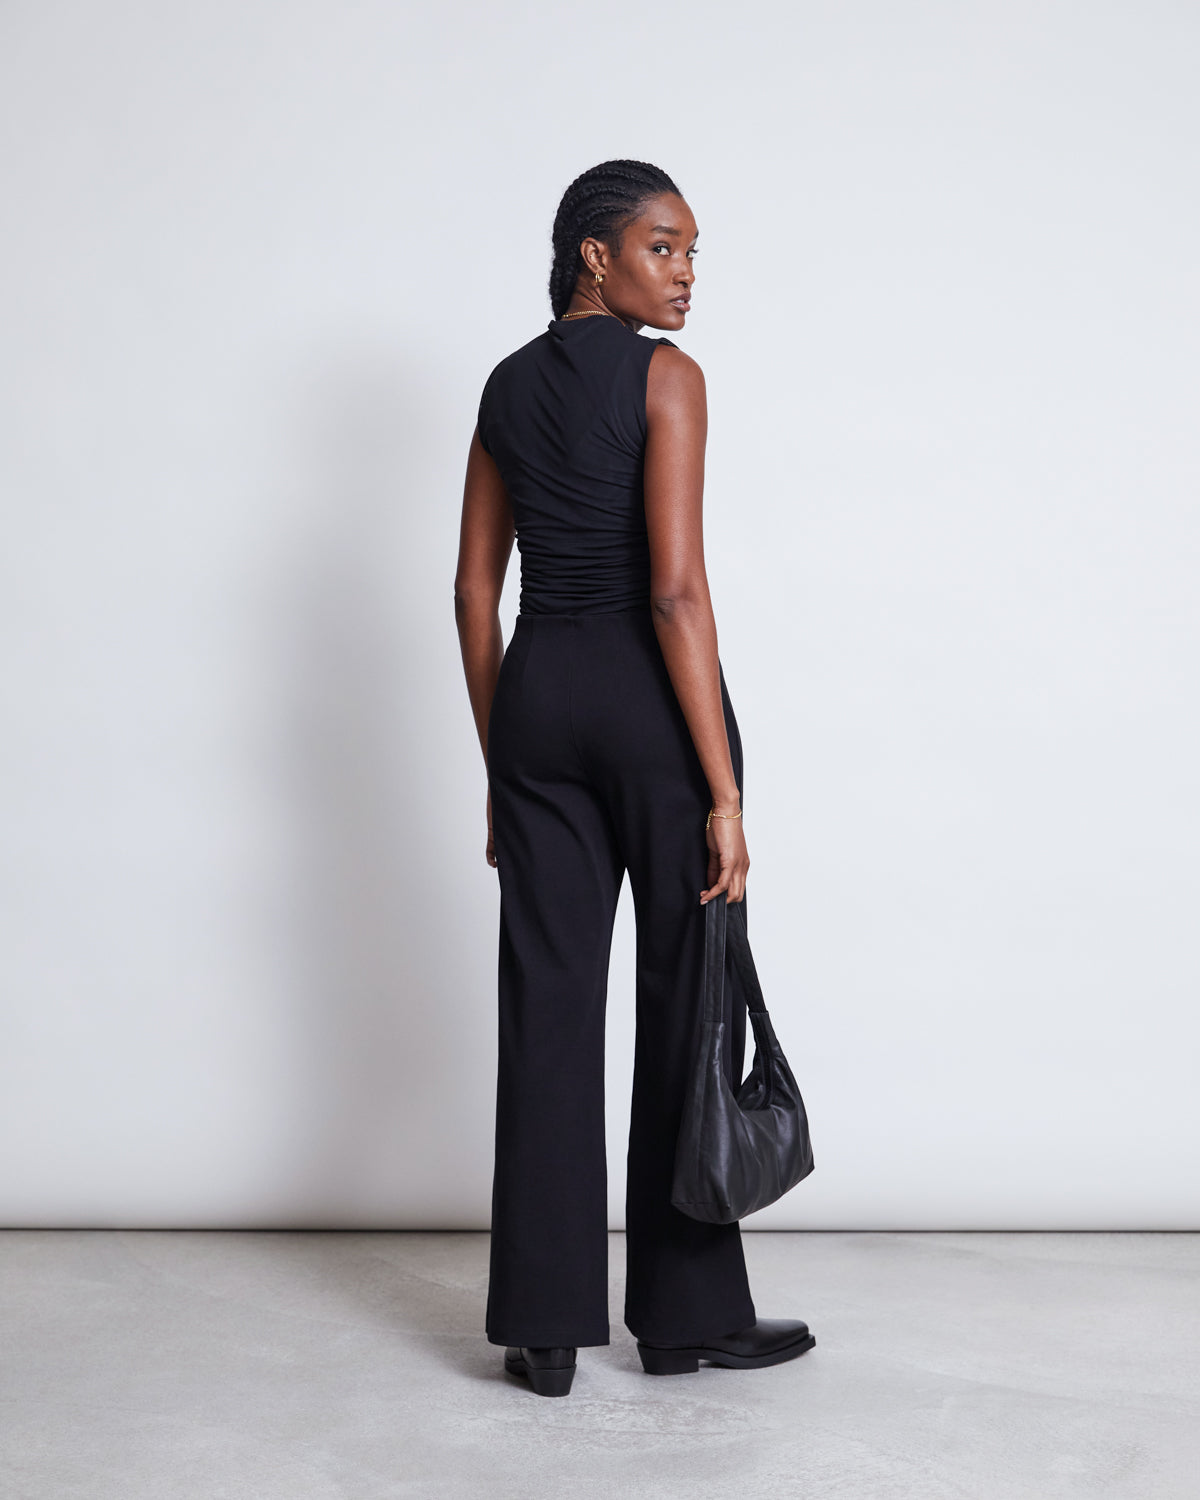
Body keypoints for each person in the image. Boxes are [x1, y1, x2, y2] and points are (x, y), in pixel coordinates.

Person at [454, 159, 815, 1397]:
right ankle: (683, 1316)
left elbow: (471, 590)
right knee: (687, 1001)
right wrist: (723, 793)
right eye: (666, 248)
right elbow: (674, 591)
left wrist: (502, 767)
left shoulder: (505, 386)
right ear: (594, 255)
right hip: (656, 716)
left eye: (695, 252)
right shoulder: (668, 379)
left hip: (540, 706)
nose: (687, 275)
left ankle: (542, 1330)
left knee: (546, 1009)